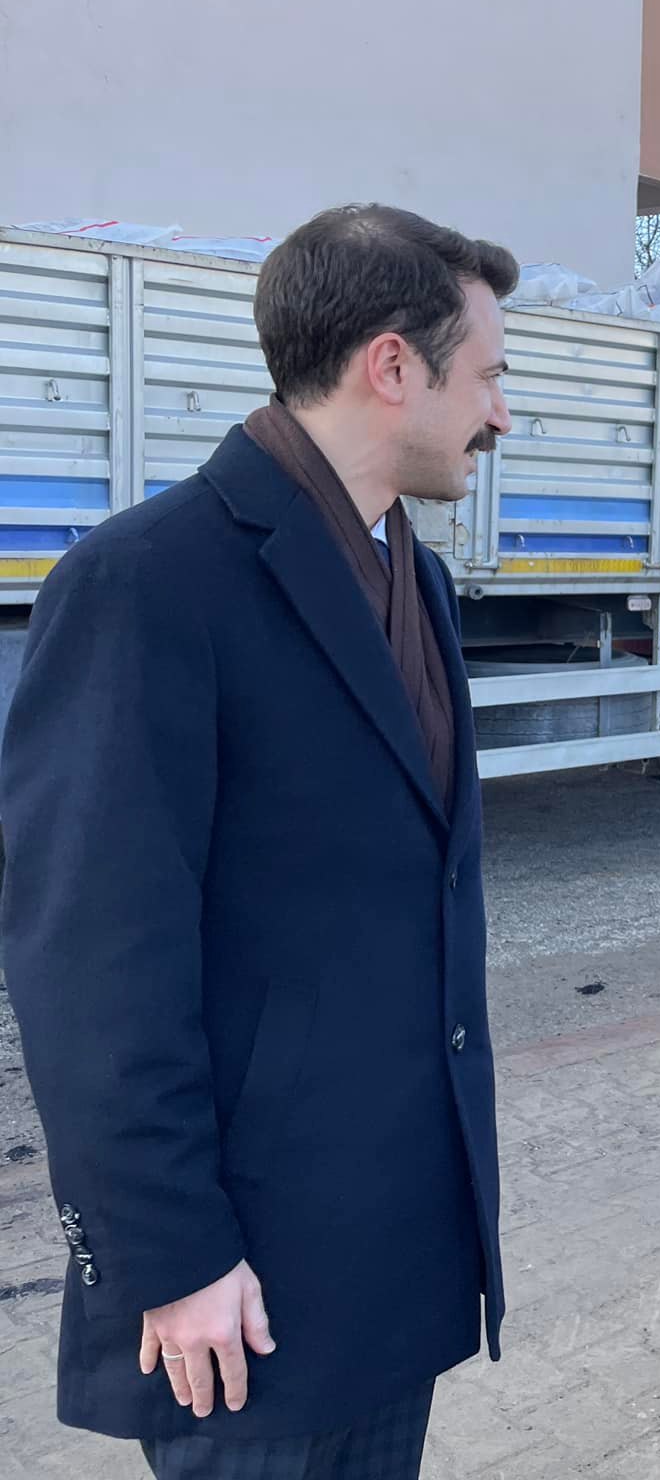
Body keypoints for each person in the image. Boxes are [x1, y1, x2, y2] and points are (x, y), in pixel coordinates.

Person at [3, 204, 515, 1478]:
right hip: (239, 1302)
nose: (500, 415)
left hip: (394, 1265)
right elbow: (90, 967)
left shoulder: (415, 576)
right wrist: (170, 1258)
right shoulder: (146, 582)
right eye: (486, 376)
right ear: (391, 366)